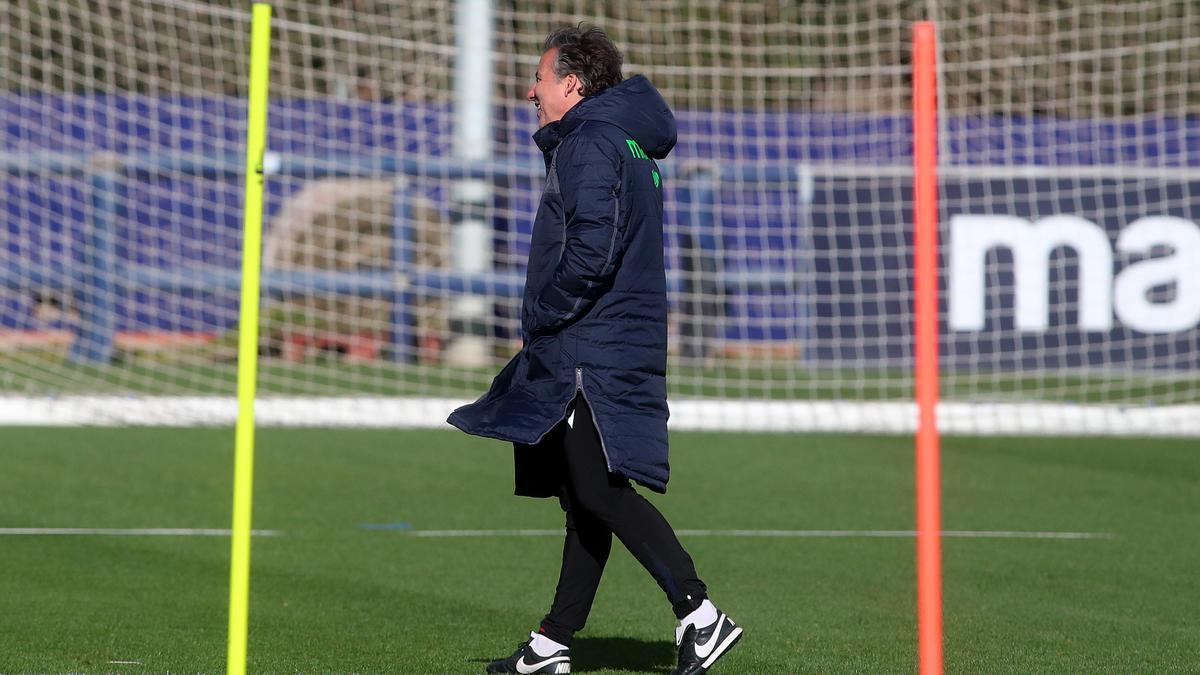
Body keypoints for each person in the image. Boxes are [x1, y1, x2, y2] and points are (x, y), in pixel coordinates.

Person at [448, 25, 742, 675]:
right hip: (610, 338)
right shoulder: (627, 140)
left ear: (573, 85)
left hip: (591, 345)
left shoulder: (589, 143)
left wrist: (547, 313)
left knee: (600, 493)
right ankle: (552, 644)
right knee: (586, 495)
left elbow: (593, 248)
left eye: (541, 79)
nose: (531, 91)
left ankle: (699, 613)